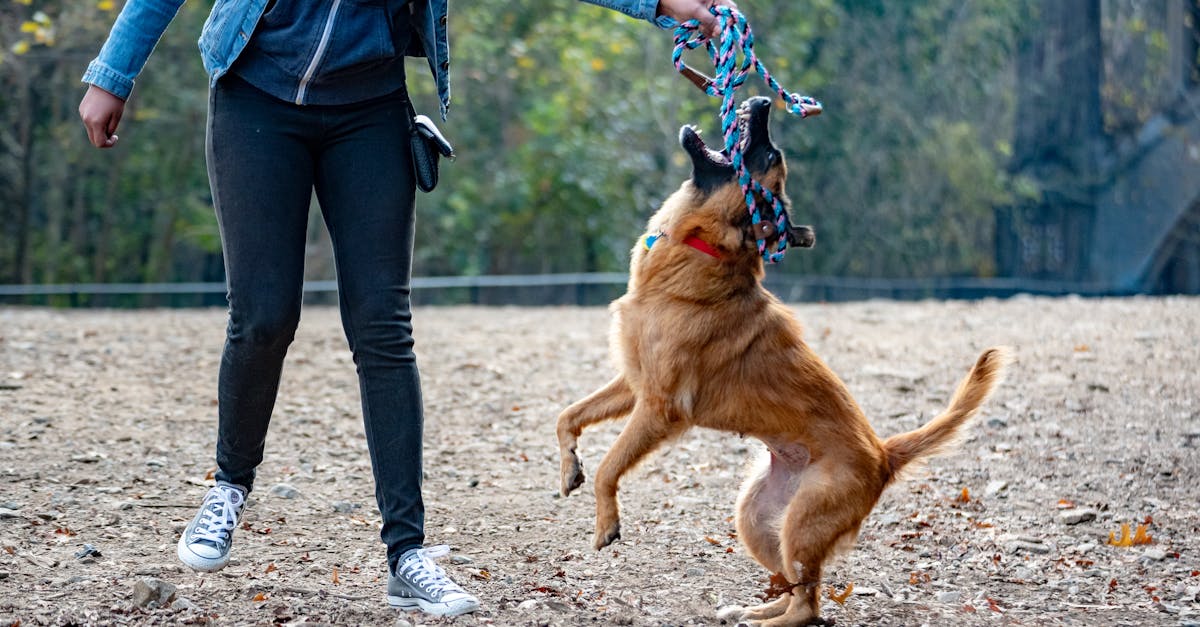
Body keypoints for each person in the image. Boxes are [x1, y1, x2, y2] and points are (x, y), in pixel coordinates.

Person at [78, 0, 736, 617]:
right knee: (264, 316)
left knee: (383, 329)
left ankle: (406, 554)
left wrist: (664, 4)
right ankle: (229, 485)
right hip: (256, 98)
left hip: (368, 109)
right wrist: (113, 74)